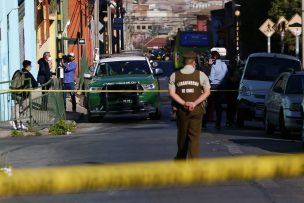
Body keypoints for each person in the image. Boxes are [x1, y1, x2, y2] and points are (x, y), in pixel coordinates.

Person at [169, 51, 211, 160]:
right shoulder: (201, 75)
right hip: (197, 111)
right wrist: (194, 103)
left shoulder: (175, 75)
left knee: (182, 137)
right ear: (194, 62)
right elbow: (207, 92)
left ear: (183, 62)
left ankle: (180, 160)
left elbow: (172, 93)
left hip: (181, 111)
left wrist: (184, 103)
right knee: (194, 138)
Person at [11, 60, 38, 130]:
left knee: (17, 109)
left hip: (15, 93)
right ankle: (20, 123)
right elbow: (35, 84)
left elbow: (12, 82)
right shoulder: (28, 74)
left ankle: (17, 123)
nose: (31, 67)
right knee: (24, 109)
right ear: (28, 66)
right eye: (30, 66)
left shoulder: (17, 72)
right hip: (24, 95)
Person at [208, 51, 228, 129]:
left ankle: (204, 122)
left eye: (211, 57)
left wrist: (209, 66)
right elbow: (226, 75)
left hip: (213, 85)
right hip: (222, 86)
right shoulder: (224, 64)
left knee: (209, 104)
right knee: (218, 105)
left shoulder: (214, 65)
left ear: (214, 57)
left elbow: (211, 77)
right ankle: (218, 123)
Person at [225, 59, 240, 127]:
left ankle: (230, 120)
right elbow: (232, 80)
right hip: (230, 90)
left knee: (232, 107)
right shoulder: (230, 70)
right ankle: (229, 120)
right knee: (231, 106)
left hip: (233, 90)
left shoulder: (234, 70)